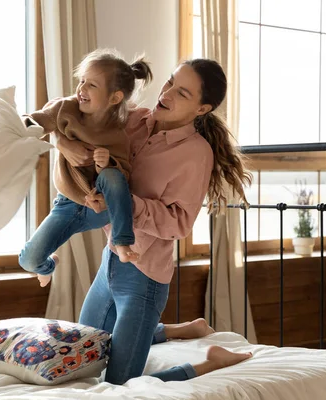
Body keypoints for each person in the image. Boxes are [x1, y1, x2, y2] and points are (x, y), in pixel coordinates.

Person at [55, 58, 253, 384]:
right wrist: (62, 142)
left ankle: (212, 362)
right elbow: (64, 116)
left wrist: (122, 202)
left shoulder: (195, 154)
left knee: (122, 384)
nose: (168, 93)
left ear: (202, 109)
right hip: (111, 263)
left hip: (145, 279)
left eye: (183, 93)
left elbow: (179, 223)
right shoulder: (132, 120)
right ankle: (178, 329)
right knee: (82, 355)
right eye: (171, 81)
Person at [19, 49, 152, 287]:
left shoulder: (117, 134)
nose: (81, 89)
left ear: (114, 98)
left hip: (99, 208)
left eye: (91, 85)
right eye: (81, 81)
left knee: (112, 176)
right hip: (68, 204)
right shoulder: (64, 109)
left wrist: (105, 165)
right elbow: (39, 121)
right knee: (29, 260)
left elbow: (122, 176)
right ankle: (49, 265)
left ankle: (123, 243)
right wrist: (20, 126)